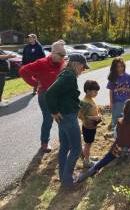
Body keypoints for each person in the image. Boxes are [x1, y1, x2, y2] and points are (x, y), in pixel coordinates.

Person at [76, 99, 130, 183]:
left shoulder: (119, 121)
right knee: (114, 155)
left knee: (103, 161)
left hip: (118, 150)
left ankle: (85, 176)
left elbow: (116, 136)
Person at [45, 54, 90, 187]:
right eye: (83, 67)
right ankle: (68, 180)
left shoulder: (66, 73)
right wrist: (53, 111)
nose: (83, 70)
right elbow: (50, 93)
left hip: (64, 116)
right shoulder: (68, 76)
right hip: (68, 117)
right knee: (76, 148)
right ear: (76, 64)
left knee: (65, 146)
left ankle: (63, 177)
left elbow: (65, 96)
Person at [19, 40, 66, 152]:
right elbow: (23, 71)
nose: (62, 58)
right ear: (53, 53)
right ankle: (44, 143)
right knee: (48, 119)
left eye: (64, 55)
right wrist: (35, 83)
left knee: (62, 119)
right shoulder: (41, 62)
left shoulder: (62, 62)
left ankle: (63, 142)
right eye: (61, 55)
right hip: (45, 95)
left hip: (59, 95)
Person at [78, 80, 101, 168]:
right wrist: (93, 118)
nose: (96, 93)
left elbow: (94, 110)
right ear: (88, 91)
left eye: (97, 91)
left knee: (89, 144)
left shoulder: (90, 99)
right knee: (88, 144)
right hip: (88, 127)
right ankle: (86, 161)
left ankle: (87, 156)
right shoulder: (84, 102)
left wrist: (98, 115)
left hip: (92, 126)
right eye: (95, 91)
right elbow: (80, 115)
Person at [107, 57, 130, 129]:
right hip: (117, 102)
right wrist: (111, 103)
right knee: (117, 118)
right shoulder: (113, 77)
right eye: (118, 67)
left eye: (121, 66)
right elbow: (111, 91)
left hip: (127, 101)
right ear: (114, 68)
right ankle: (116, 133)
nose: (120, 68)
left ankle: (126, 131)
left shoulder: (127, 76)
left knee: (127, 117)